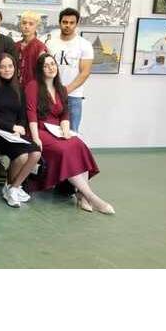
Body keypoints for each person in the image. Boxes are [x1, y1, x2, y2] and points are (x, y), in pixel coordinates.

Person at [25, 54, 113, 214]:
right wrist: (36, 138)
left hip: (57, 130)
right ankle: (92, 198)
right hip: (39, 130)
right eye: (46, 65)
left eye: (52, 64)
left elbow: (64, 114)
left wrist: (66, 131)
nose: (50, 68)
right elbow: (31, 114)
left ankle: (82, 195)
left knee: (78, 145)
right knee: (65, 150)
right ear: (40, 69)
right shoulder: (33, 86)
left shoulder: (61, 88)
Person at [0, 53, 42, 208]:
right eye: (3, 67)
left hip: (15, 133)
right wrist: (11, 127)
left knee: (36, 152)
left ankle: (13, 188)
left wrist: (19, 128)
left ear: (15, 68)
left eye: (10, 66)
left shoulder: (19, 88)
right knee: (22, 156)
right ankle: (11, 188)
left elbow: (22, 115)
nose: (7, 70)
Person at [45, 7, 93, 132]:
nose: (68, 25)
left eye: (72, 23)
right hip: (51, 94)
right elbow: (44, 68)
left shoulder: (84, 44)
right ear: (60, 22)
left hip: (73, 96)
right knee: (50, 131)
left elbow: (85, 72)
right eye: (65, 22)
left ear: (76, 24)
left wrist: (66, 90)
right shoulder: (50, 43)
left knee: (71, 133)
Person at [15, 10, 48, 88]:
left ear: (36, 27)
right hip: (15, 89)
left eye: (31, 24)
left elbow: (44, 73)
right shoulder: (15, 45)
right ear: (20, 25)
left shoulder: (40, 47)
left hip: (32, 89)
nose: (26, 26)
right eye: (24, 23)